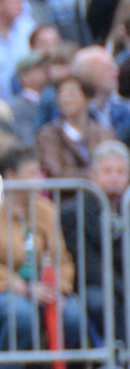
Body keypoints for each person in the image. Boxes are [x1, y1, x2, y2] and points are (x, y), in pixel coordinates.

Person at [0, 146, 88, 369]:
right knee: (22, 315)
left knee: (72, 316)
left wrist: (58, 288)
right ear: (10, 176)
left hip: (42, 288)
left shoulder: (46, 210)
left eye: (40, 172)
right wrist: (21, 286)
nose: (39, 179)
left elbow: (62, 258)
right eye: (31, 173)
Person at [60, 140, 130, 345]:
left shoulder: (126, 208)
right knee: (102, 301)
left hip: (121, 281)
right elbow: (88, 265)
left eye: (121, 172)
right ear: (93, 174)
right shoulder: (75, 210)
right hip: (91, 285)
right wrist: (122, 287)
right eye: (107, 171)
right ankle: (117, 355)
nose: (114, 177)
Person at [35, 74, 113, 178]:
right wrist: (96, 175)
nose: (66, 100)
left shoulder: (103, 133)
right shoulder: (49, 134)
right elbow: (55, 170)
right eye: (62, 95)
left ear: (86, 98)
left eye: (71, 94)